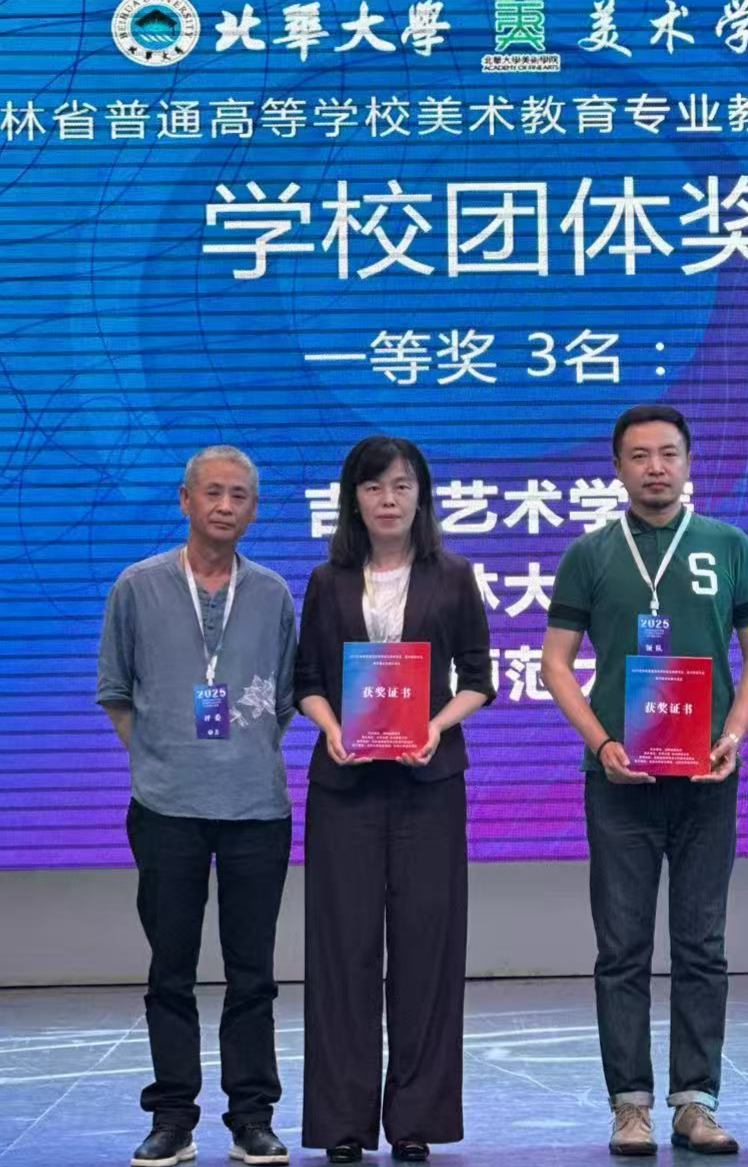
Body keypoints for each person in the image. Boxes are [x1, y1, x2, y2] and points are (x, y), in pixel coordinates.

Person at [541, 404, 748, 1157]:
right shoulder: (590, 554)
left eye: (668, 453)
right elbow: (554, 662)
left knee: (702, 944)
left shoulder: (728, 545)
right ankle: (630, 1106)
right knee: (622, 949)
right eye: (639, 455)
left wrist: (733, 735)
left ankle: (696, 1102)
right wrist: (603, 741)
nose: (655, 467)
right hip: (619, 781)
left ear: (688, 461)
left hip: (708, 776)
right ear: (617, 467)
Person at [294, 436, 495, 1165]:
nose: (389, 499)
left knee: (426, 951)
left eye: (402, 485)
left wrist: (435, 727)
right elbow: (307, 680)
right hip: (345, 787)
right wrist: (331, 727)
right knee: (343, 951)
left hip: (427, 787)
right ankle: (342, 1122)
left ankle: (415, 1118)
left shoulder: (454, 576)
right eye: (374, 486)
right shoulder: (327, 581)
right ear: (353, 498)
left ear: (421, 496)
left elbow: (479, 677)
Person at [97, 446, 297, 1167]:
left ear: (254, 509)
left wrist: (235, 756)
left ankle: (252, 1117)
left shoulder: (273, 593)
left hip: (256, 809)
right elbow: (117, 692)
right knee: (170, 970)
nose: (224, 506)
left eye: (239, 495)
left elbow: (283, 700)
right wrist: (163, 758)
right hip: (165, 806)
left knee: (254, 973)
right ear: (185, 500)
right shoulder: (138, 585)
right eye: (212, 492)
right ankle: (172, 1118)